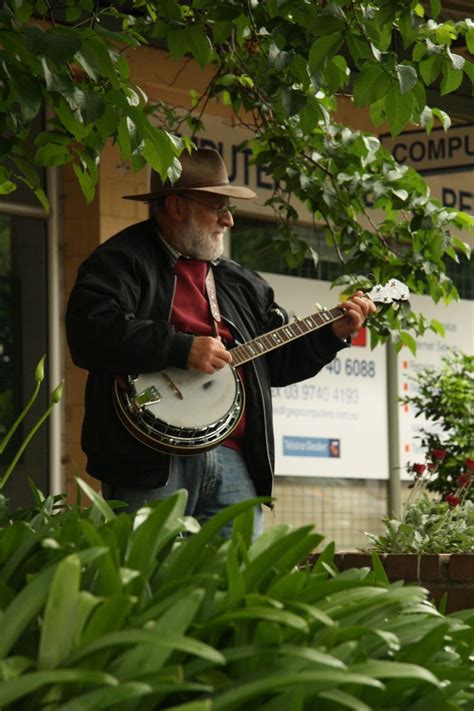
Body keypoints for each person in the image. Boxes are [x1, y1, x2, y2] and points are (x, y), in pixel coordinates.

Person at [66, 147, 375, 537]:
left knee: (237, 586)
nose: (228, 219)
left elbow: (275, 365)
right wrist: (181, 347)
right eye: (217, 206)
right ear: (176, 205)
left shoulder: (242, 283)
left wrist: (332, 336)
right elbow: (89, 332)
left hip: (234, 459)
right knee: (150, 584)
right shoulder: (120, 262)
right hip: (152, 462)